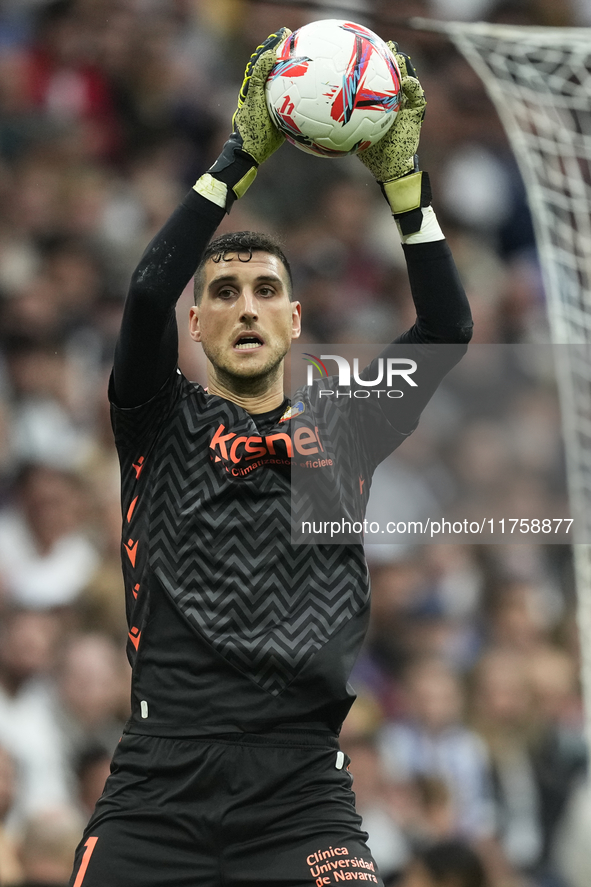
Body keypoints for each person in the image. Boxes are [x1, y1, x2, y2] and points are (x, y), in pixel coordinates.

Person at [69, 28, 472, 887]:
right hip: (157, 788)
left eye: (264, 291)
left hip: (299, 794)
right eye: (222, 292)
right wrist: (239, 154)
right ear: (199, 324)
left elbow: (446, 328)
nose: (244, 306)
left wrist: (406, 187)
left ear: (294, 321)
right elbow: (145, 291)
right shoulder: (155, 418)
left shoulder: (349, 423)